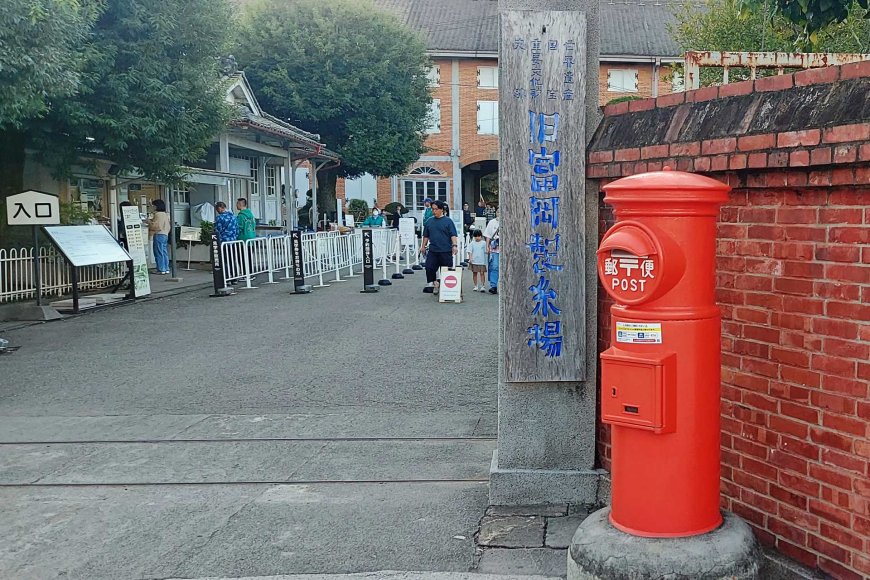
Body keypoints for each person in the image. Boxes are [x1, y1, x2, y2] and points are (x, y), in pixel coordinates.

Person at [419, 200, 458, 294]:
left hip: (445, 250)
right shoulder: (429, 221)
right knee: (429, 267)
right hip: (433, 250)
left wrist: (454, 245)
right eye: (433, 209)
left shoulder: (448, 221)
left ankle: (447, 290)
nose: (434, 211)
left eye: (436, 209)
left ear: (441, 210)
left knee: (447, 269)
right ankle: (435, 283)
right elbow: (426, 236)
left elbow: (453, 235)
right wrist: (423, 246)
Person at [148, 199, 171, 274]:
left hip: (159, 234)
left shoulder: (157, 214)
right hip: (165, 234)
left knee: (158, 252)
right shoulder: (165, 214)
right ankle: (166, 268)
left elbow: (156, 226)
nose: (153, 207)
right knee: (164, 252)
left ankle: (161, 269)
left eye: (153, 206)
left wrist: (148, 222)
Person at [484, 208, 500, 294]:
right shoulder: (492, 222)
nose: (499, 214)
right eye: (498, 212)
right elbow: (488, 236)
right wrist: (487, 247)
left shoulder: (508, 221)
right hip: (495, 247)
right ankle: (493, 285)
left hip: (506, 248)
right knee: (495, 265)